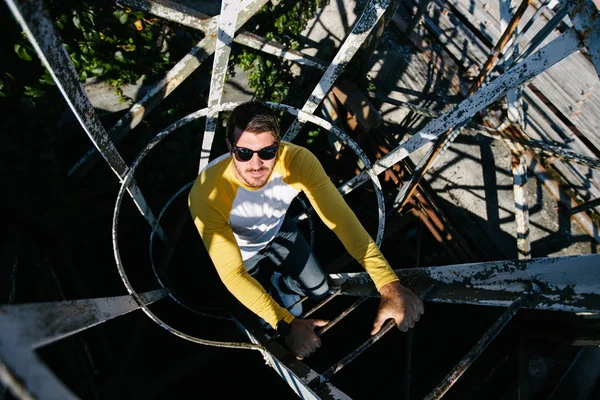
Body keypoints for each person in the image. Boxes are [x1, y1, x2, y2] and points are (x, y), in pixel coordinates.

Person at [188, 101, 424, 360]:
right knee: (260, 310)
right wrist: (286, 323)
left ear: (279, 144)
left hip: (280, 231)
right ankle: (276, 304)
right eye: (244, 153)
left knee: (321, 290)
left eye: (267, 151)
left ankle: (284, 285)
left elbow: (341, 221)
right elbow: (232, 274)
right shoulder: (207, 194)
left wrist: (388, 284)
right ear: (230, 147)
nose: (256, 164)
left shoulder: (298, 162)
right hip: (241, 251)